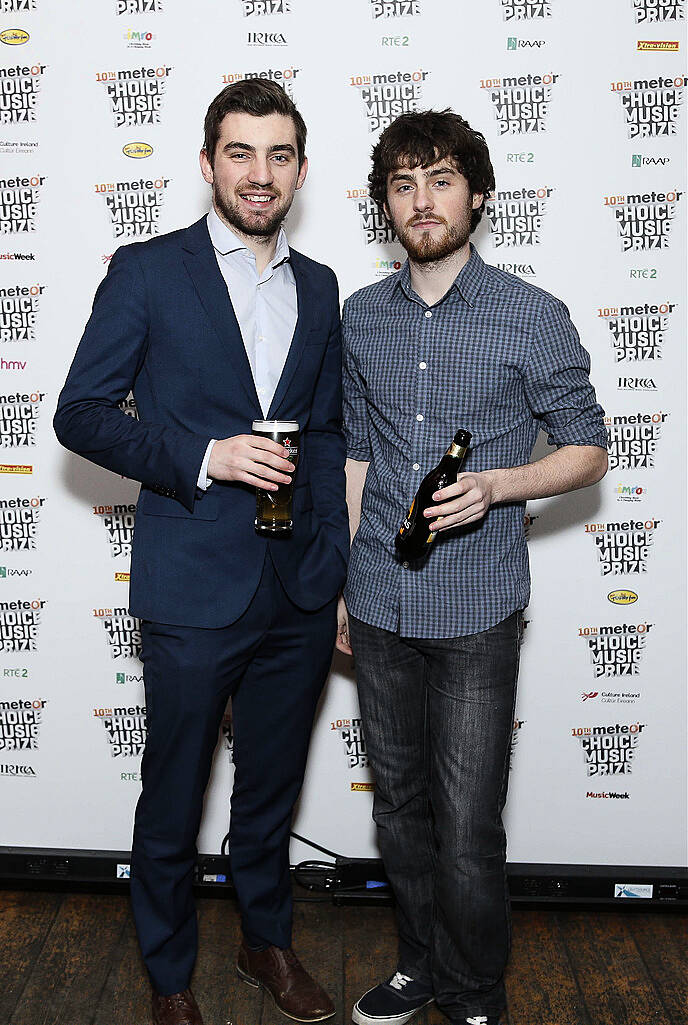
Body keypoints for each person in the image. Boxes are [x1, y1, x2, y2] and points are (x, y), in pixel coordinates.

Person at [54, 80, 348, 1025]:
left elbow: (332, 435)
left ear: (300, 170)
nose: (258, 175)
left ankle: (266, 941)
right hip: (190, 582)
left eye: (277, 156)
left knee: (271, 786)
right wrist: (204, 456)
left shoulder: (319, 285)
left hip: (296, 585)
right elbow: (80, 414)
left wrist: (334, 576)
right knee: (173, 791)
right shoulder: (148, 271)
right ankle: (168, 973)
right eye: (239, 153)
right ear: (207, 161)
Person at [337, 110, 608, 1025]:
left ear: (477, 194)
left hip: (477, 606)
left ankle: (478, 989)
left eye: (442, 179)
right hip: (377, 600)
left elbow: (588, 448)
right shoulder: (362, 316)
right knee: (400, 816)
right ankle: (421, 965)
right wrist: (345, 580)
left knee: (465, 826)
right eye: (405, 183)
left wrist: (498, 485)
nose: (423, 199)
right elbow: (359, 459)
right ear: (386, 202)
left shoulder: (532, 315)